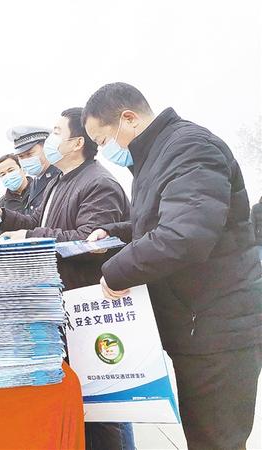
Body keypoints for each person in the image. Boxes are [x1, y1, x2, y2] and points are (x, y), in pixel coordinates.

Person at [83, 82, 262, 450]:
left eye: (102, 141)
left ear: (128, 119)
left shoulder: (190, 147)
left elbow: (185, 235)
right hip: (197, 325)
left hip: (218, 329)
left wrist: (116, 271)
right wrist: (115, 231)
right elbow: (159, 220)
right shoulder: (156, 156)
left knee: (216, 440)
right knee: (203, 435)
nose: (105, 152)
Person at [0, 108, 133, 450]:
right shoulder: (60, 181)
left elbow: (90, 241)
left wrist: (30, 238)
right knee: (82, 404)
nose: (51, 140)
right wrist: (5, 218)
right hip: (64, 306)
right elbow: (41, 223)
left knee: (105, 409)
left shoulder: (98, 183)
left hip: (89, 305)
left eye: (56, 132)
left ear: (76, 143)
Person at [7, 126, 60, 212]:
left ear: (46, 148)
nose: (26, 160)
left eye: (29, 154)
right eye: (21, 156)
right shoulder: (35, 182)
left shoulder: (59, 177)